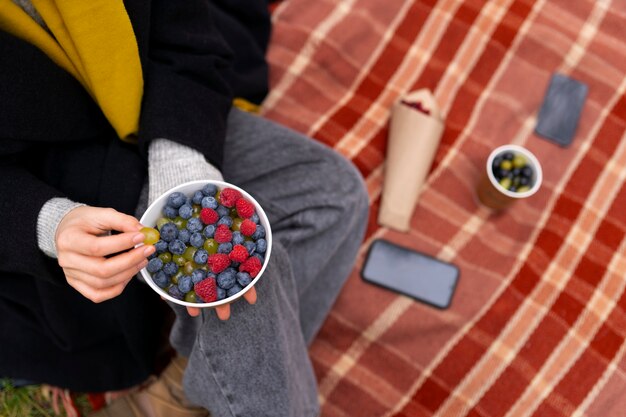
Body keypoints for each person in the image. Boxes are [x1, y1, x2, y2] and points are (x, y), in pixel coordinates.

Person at [0, 1, 369, 416]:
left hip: (155, 105)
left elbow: (182, 31)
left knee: (335, 192)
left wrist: (182, 156)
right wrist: (45, 222)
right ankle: (208, 388)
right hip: (51, 175)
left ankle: (188, 385)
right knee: (248, 292)